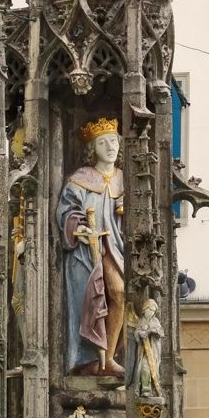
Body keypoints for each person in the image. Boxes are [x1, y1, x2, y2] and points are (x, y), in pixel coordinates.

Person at [57, 117, 125, 375]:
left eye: (114, 141)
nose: (110, 146)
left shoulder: (124, 178)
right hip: (87, 251)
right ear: (92, 148)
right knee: (97, 298)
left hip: (117, 247)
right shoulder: (81, 179)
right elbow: (66, 211)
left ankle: (108, 358)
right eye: (103, 142)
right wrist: (79, 227)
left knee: (119, 294)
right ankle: (90, 360)